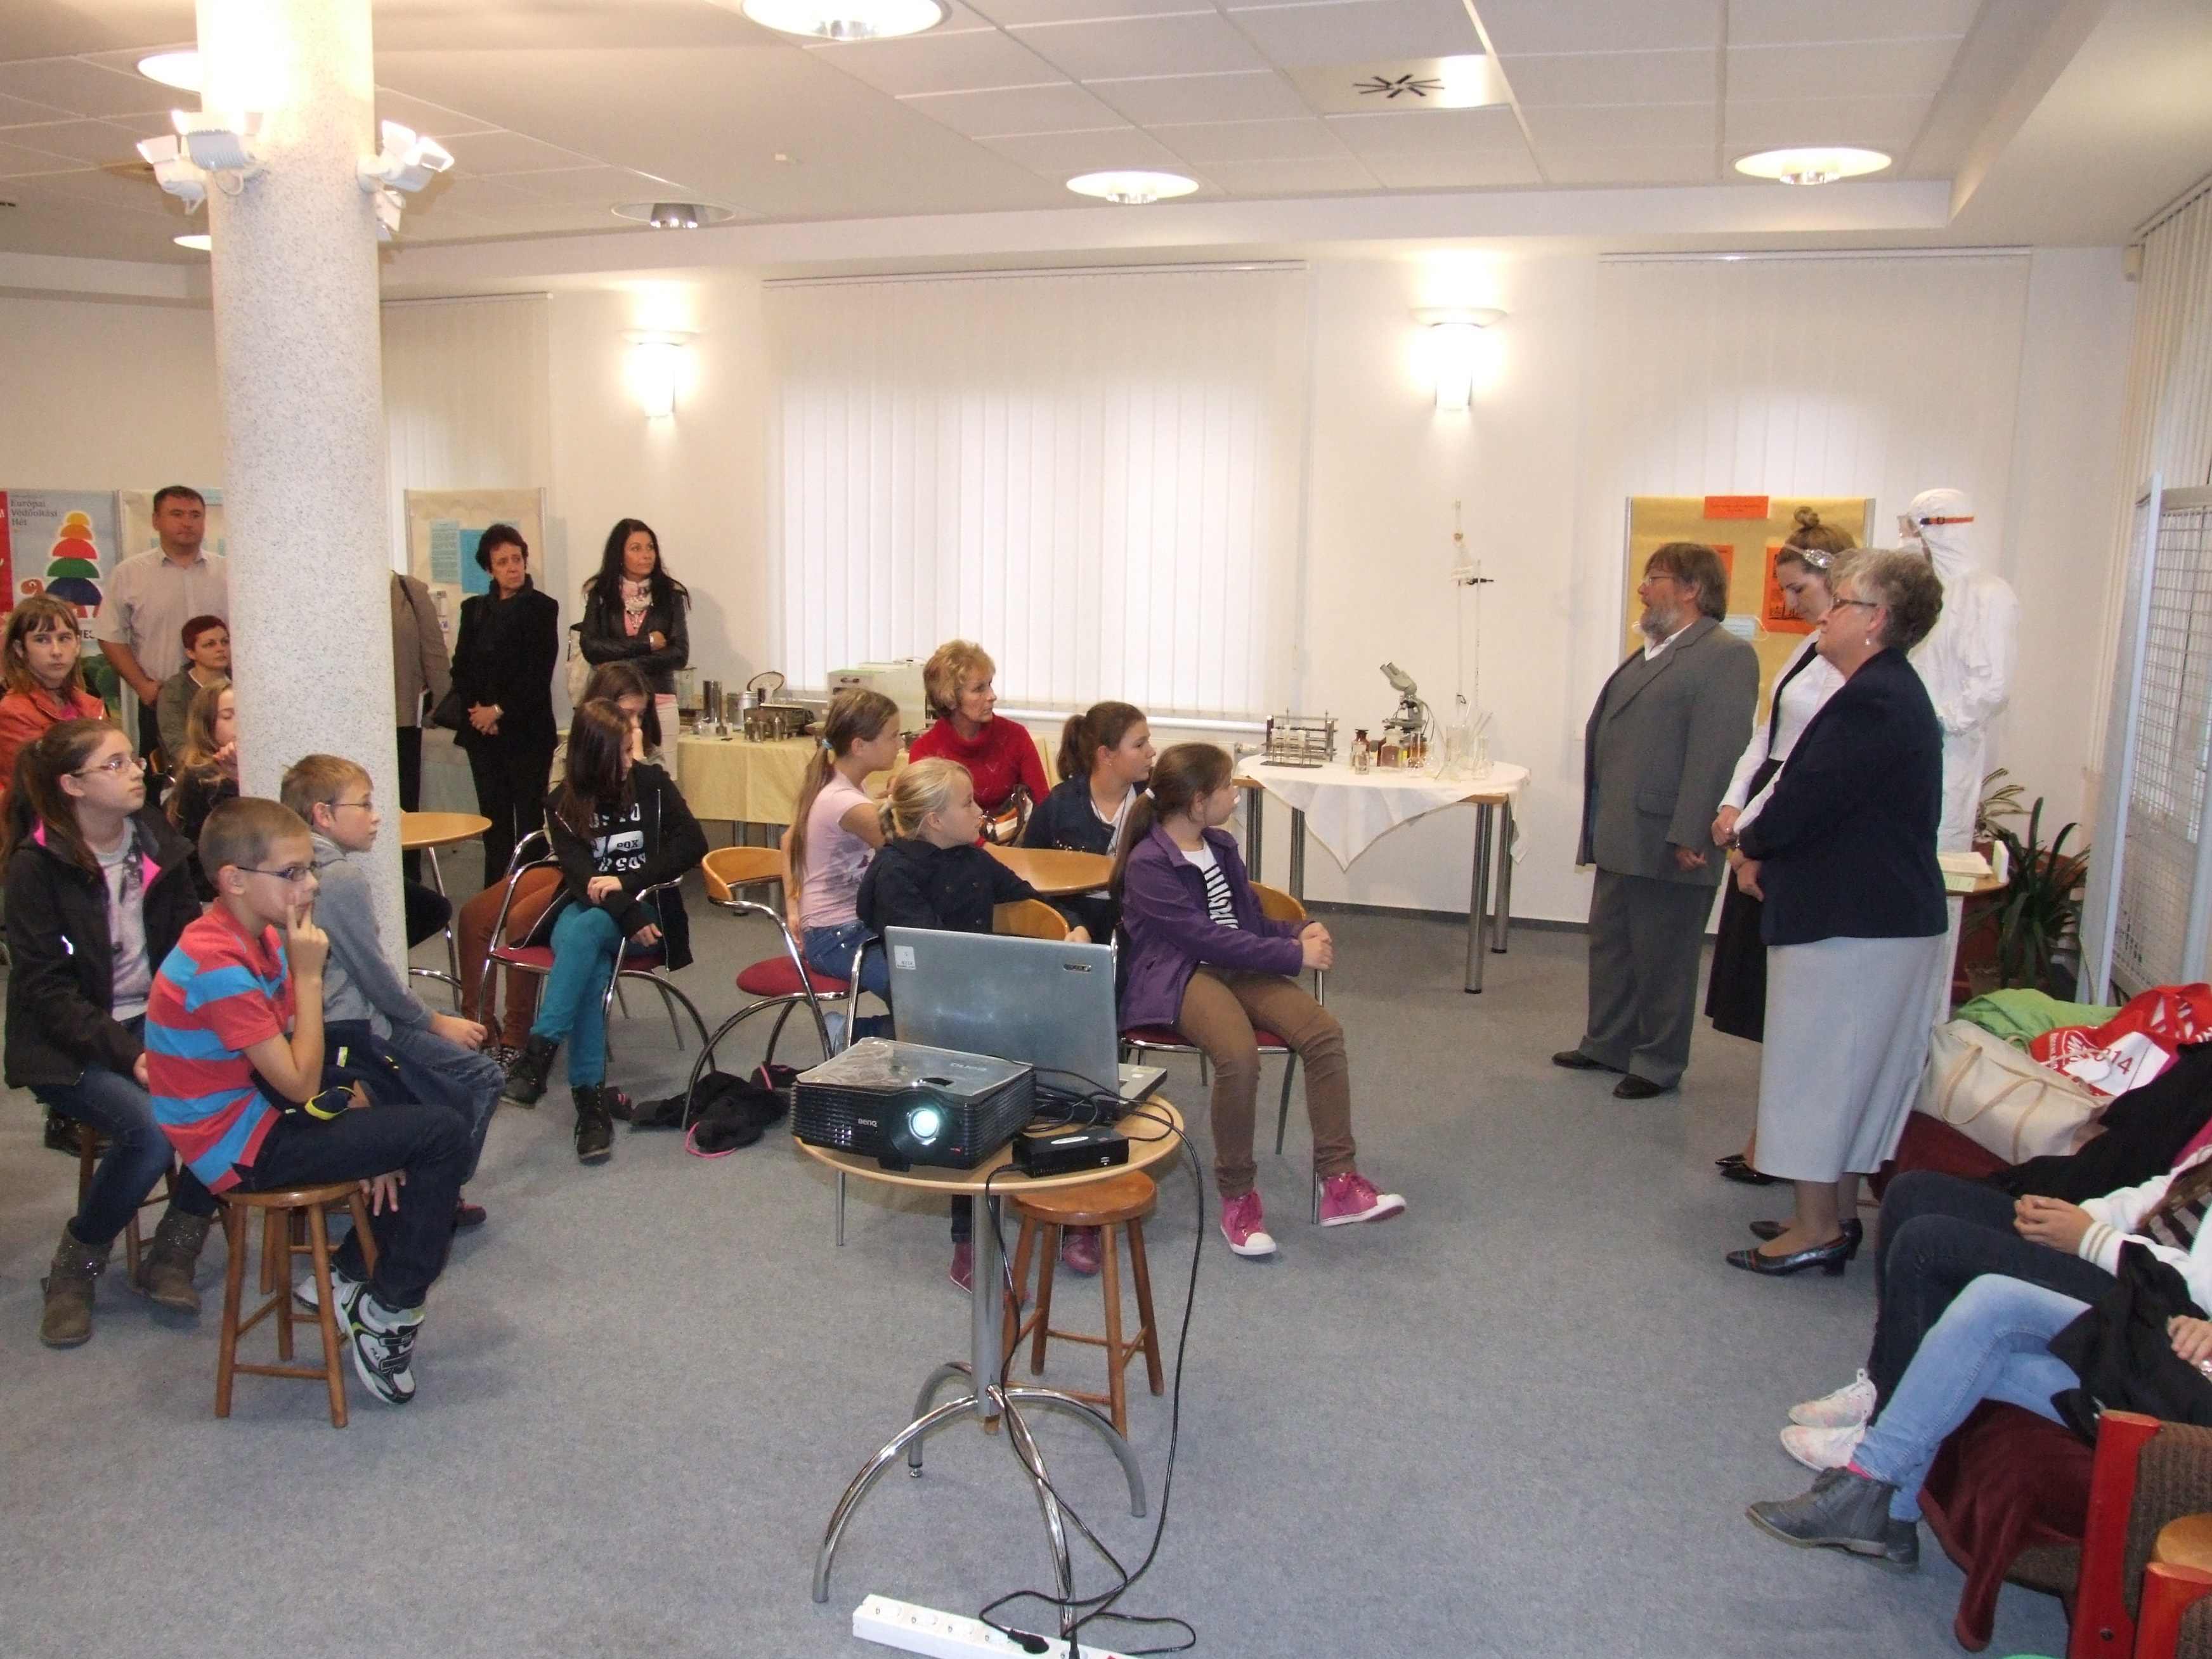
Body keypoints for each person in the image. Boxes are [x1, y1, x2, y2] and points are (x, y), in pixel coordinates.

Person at [145, 795, 471, 1405]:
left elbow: (303, 1061)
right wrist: (308, 976)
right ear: (234, 880)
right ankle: (388, 1311)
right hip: (239, 1147)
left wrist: (370, 1130)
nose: (311, 885)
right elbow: (298, 1080)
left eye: (310, 869)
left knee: (410, 1112)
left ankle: (351, 1278)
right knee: (442, 1135)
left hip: (264, 1111)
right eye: (292, 873)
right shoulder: (217, 961)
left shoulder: (255, 937)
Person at [1747, 1148, 2212, 1571]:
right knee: (1969, 1340)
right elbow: (2154, 1197)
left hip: (2170, 1332)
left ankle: (1872, 1482)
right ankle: (1890, 1509)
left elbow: (2202, 1289)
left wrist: (2092, 1240)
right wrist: (2076, 1220)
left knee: (1984, 1304)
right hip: (2147, 1307)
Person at [1726, 550, 1951, 1276]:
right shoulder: (1882, 690)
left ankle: (1817, 1226)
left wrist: (1747, 844)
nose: (1824, 614)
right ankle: (1829, 1214)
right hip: (1870, 919)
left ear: (1875, 619)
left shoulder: (1873, 699)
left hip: (1855, 923)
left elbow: (1807, 798)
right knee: (1846, 1078)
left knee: (1819, 1074)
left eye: (1842, 601)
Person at [1114, 741, 1405, 1259]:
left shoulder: (1220, 846)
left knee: (1323, 1034)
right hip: (1181, 973)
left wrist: (1297, 930)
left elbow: (1245, 922)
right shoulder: (1149, 863)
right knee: (1239, 1056)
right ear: (1198, 801)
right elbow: (1202, 939)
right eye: (1226, 787)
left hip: (1237, 961)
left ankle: (1339, 1181)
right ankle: (1238, 1197)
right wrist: (1292, 955)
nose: (1235, 795)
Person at [5, 719, 217, 1346]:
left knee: (247, 1088)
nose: (137, 772)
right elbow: (48, 994)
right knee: (152, 1133)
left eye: (133, 760)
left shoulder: (158, 841)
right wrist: (132, 1057)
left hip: (156, 1020)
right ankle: (76, 1268)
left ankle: (174, 1249)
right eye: (116, 763)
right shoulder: (36, 866)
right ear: (73, 786)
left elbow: (191, 948)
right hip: (69, 1040)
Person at [1554, 543, 1759, 1099]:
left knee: (1665, 956)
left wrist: (1694, 832)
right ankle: (1607, 1043)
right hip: (1623, 830)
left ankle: (1658, 1061)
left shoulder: (1725, 655)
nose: (1643, 589)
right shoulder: (1650, 652)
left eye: (1655, 578)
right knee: (1613, 947)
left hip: (1671, 834)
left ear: (1692, 589)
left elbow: (1718, 752)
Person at [856, 758, 1067, 1290]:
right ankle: (968, 1237)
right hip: (931, 1007)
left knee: (1065, 1055)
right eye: (968, 803)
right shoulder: (896, 874)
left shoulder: (971, 858)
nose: (980, 811)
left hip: (978, 993)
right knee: (972, 1088)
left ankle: (1061, 1197)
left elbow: (1025, 895)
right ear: (934, 819)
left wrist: (1075, 927)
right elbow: (933, 960)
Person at [282, 754, 505, 1229]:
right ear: (323, 815)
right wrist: (434, 1021)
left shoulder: (296, 868)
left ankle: (420, 1179)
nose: (376, 815)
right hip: (354, 1035)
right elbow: (375, 977)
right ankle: (435, 1194)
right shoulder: (338, 878)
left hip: (336, 1027)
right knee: (482, 1077)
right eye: (364, 804)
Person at [1706, 512, 1852, 1187]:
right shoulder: (1807, 650)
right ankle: (1770, 1134)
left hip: (1796, 828)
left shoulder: (1854, 669)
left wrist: (1752, 832)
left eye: (1799, 589)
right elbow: (1765, 738)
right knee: (1767, 1000)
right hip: (1767, 807)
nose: (1788, 603)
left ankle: (1782, 1142)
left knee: (1796, 1004)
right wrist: (1733, 803)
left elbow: (1808, 766)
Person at [500, 699, 706, 1164]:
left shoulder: (652, 785)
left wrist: (629, 887)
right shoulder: (563, 803)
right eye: (623, 753)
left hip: (648, 914)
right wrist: (626, 911)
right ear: (594, 755)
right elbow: (581, 879)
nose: (631, 761)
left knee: (590, 930)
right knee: (590, 954)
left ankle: (540, 1056)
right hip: (594, 914)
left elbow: (694, 843)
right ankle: (589, 1108)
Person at [457, 661, 660, 1064]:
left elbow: (657, 828)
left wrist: (635, 761)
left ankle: (517, 1038)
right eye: (627, 713)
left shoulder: (649, 760)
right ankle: (477, 1028)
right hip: (567, 864)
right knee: (474, 916)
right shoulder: (569, 754)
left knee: (522, 921)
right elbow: (560, 830)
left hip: (616, 874)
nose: (635, 724)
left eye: (640, 714)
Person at [1901, 489, 2018, 856]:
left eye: (1915, 530)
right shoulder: (1921, 594)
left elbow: (1992, 687)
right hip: (1901, 748)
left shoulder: (1989, 595)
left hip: (1948, 753)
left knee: (1939, 850)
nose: (1911, 541)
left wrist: (1935, 723)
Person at [449, 523, 561, 889]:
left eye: (517, 559)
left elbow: (537, 673)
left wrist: (498, 711)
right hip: (483, 735)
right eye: (503, 562)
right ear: (489, 569)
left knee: (529, 820)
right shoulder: (473, 610)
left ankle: (530, 896)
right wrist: (479, 713)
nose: (513, 567)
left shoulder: (543, 608)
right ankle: (495, 897)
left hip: (527, 733)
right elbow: (461, 669)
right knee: (493, 822)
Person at [789, 687, 901, 1046]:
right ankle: (850, 1037)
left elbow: (788, 840)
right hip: (836, 937)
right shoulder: (846, 802)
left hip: (845, 928)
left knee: (922, 983)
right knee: (914, 995)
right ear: (859, 746)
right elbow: (905, 849)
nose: (900, 743)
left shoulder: (841, 782)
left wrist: (794, 906)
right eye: (893, 736)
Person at [91, 485, 227, 764]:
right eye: (177, 514)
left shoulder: (230, 572)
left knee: (228, 775)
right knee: (164, 777)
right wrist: (142, 686)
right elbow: (110, 636)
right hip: (161, 700)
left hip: (225, 703)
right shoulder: (129, 574)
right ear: (156, 520)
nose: (187, 522)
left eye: (195, 515)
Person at [1022, 700, 1154, 942]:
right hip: (1077, 922)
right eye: (1139, 745)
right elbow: (1031, 878)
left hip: (1141, 921)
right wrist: (1071, 924)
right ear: (1105, 755)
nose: (1151, 752)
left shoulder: (1158, 800)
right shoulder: (1059, 804)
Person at [907, 640, 1049, 844]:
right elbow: (931, 828)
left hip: (1015, 846)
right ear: (949, 699)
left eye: (989, 684)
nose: (992, 696)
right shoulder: (926, 751)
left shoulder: (1015, 736)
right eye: (978, 689)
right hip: (956, 851)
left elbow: (1043, 806)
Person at [577, 518, 689, 742]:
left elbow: (679, 654)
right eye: (636, 549)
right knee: (617, 763)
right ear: (619, 555)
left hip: (660, 699)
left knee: (659, 765)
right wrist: (647, 643)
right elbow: (591, 647)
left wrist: (620, 666)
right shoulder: (601, 593)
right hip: (613, 704)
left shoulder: (670, 594)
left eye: (650, 548)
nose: (647, 555)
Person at [0, 595, 110, 805]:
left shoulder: (91, 704)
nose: (56, 651)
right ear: (20, 649)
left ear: (77, 645)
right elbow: (38, 789)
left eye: (64, 638)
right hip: (44, 818)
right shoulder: (13, 710)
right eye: (42, 640)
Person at [391, 569, 451, 885]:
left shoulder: (409, 591)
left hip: (402, 718)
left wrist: (443, 704)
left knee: (404, 805)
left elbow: (434, 652)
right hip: (354, 725)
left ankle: (408, 884)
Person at [166, 678, 238, 901]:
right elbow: (245, 833)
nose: (241, 722)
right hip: (210, 894)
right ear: (206, 726)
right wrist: (237, 777)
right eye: (228, 716)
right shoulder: (202, 776)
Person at [153, 613, 230, 767]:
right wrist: (218, 766)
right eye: (210, 644)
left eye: (225, 642)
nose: (221, 649)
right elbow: (178, 745)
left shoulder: (243, 682)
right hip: (195, 770)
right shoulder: (174, 691)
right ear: (191, 653)